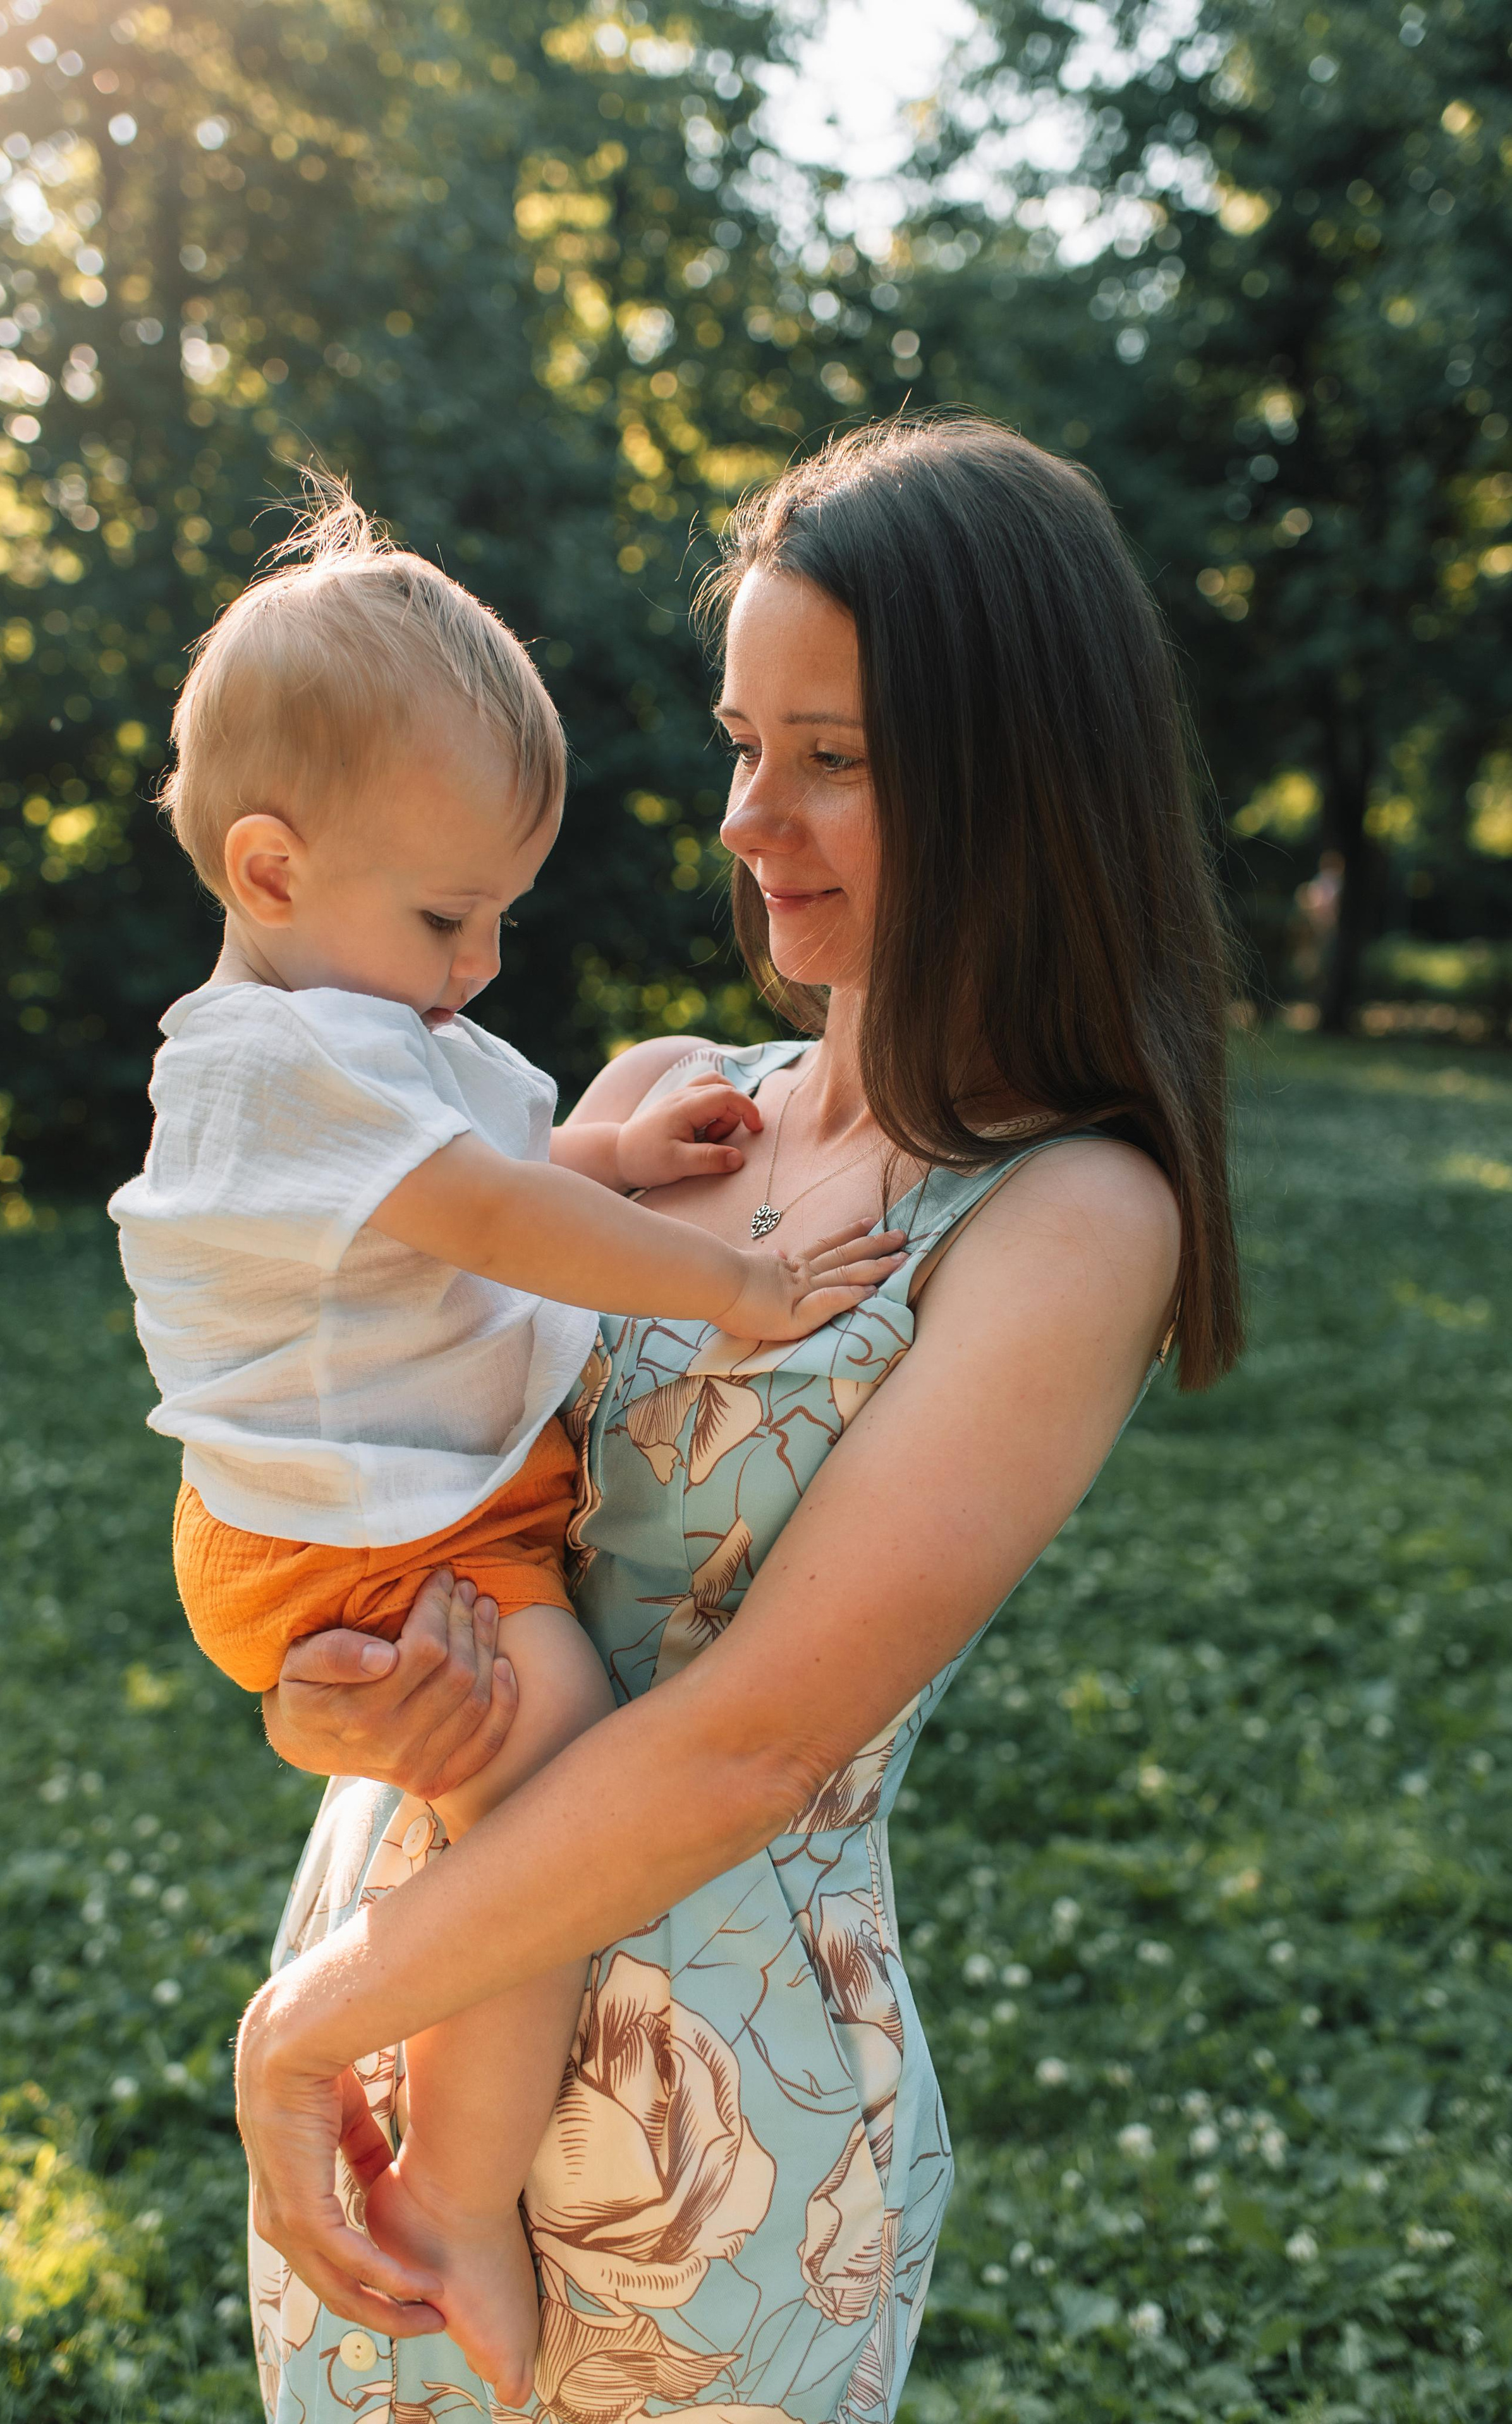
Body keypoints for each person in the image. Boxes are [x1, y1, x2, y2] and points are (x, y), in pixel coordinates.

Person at [233, 414, 1243, 2424]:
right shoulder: (645, 1106)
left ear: (1014, 780)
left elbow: (756, 1742)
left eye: (833, 756)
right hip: (401, 2029)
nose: (745, 813)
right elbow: (408, 1494)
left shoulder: (1066, 1216)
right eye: (741, 738)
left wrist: (292, 2031)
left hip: (721, 2125)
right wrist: (328, 1698)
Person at [107, 482, 903, 2404]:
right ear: (275, 868)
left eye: (500, 917)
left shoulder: (356, 1018)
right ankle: (461, 2188)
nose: (478, 965)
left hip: (408, 1521)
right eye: (451, 915)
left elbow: (473, 1191)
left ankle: (429, 2126)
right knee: (538, 1760)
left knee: (512, 1761)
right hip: (373, 1535)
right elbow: (475, 1220)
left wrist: (612, 1163)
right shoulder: (272, 1051)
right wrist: (725, 1286)